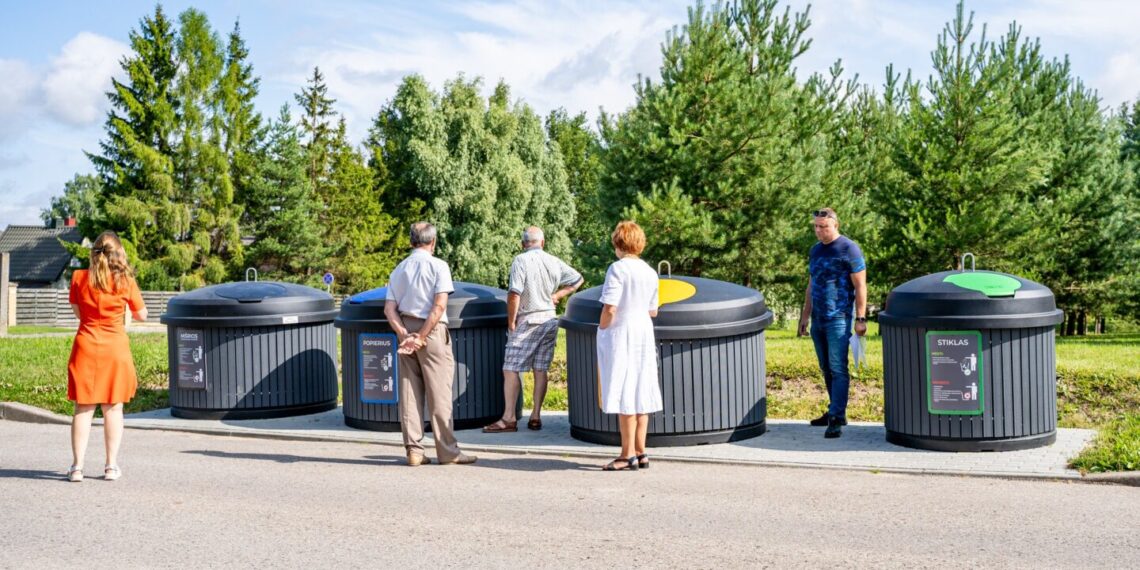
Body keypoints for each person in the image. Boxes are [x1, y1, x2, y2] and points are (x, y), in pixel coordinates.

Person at [383, 222, 476, 466]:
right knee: (439, 394)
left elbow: (389, 309)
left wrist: (404, 334)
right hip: (431, 332)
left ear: (411, 241)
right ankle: (447, 452)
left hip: (406, 330)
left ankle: (414, 451)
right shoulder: (438, 266)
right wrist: (422, 336)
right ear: (433, 242)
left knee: (409, 393)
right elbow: (439, 306)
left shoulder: (399, 270)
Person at [483, 226, 583, 434]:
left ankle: (508, 418)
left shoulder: (521, 260)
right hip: (549, 319)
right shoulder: (554, 261)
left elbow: (514, 293)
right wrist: (558, 295)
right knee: (540, 368)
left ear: (523, 244)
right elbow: (578, 279)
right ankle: (536, 416)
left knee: (510, 368)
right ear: (543, 243)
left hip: (528, 320)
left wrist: (511, 321)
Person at [66, 231, 147, 482]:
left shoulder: (79, 278)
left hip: (86, 346)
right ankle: (111, 466)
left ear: (94, 252)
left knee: (83, 407)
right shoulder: (125, 281)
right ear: (118, 253)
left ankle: (77, 467)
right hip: (115, 349)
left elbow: (79, 314)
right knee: (113, 409)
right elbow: (142, 315)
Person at [596, 221, 662, 471]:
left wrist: (602, 327)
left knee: (624, 391)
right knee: (641, 390)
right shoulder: (649, 271)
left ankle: (626, 455)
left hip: (621, 333)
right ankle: (641, 451)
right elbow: (653, 310)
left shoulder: (617, 269)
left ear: (618, 243)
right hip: (644, 333)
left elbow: (610, 306)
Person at [797, 208, 868, 439]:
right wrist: (804, 316)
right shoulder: (815, 251)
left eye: (824, 227)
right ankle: (836, 410)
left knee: (838, 368)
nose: (819, 231)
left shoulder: (849, 248)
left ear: (835, 225)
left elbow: (860, 286)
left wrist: (860, 319)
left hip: (839, 317)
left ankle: (836, 418)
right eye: (816, 226)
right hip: (818, 318)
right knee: (826, 367)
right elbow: (811, 284)